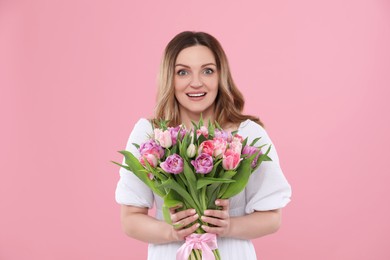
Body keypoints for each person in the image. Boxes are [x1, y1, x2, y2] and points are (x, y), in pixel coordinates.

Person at [115, 31, 292, 259]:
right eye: (183, 72)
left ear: (221, 76)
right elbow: (130, 219)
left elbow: (272, 218)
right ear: (170, 77)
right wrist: (171, 231)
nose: (196, 82)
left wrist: (229, 227)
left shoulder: (247, 134)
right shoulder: (150, 135)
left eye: (207, 71)